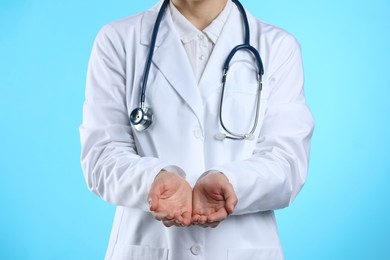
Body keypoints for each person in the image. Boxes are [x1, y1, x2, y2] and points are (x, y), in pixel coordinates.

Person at [80, 0, 314, 259]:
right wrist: (152, 180)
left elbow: (287, 162)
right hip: (148, 247)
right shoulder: (118, 40)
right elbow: (101, 155)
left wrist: (233, 183)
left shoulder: (277, 47)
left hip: (244, 248)